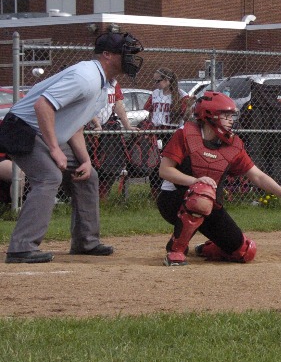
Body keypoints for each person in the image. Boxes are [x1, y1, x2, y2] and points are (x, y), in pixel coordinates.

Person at [3, 31, 144, 263]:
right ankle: (21, 248)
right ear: (107, 55)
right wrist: (55, 149)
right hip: (22, 129)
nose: (131, 58)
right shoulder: (86, 76)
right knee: (49, 177)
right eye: (126, 53)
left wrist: (85, 160)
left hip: (42, 132)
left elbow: (74, 124)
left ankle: (86, 243)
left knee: (87, 176)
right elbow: (43, 106)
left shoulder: (103, 83)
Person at [157, 91, 281, 266]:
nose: (231, 120)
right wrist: (195, 181)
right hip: (173, 200)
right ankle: (177, 249)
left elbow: (256, 175)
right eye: (225, 115)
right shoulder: (185, 134)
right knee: (202, 192)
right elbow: (165, 171)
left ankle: (207, 248)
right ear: (209, 115)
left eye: (231, 116)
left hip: (207, 204)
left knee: (245, 252)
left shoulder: (233, 145)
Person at [143, 68, 192, 196]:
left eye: (158, 81)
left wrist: (190, 107)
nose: (155, 84)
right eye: (154, 81)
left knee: (171, 164)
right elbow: (150, 113)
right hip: (156, 131)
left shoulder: (181, 95)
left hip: (172, 132)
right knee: (154, 164)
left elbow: (186, 118)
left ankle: (170, 190)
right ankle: (154, 192)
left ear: (167, 80)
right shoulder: (155, 94)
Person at [87, 79, 138, 198]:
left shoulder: (114, 83)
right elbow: (87, 105)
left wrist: (127, 126)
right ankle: (86, 195)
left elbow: (118, 104)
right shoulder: (94, 81)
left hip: (107, 127)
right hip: (90, 127)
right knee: (89, 163)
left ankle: (102, 197)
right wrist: (96, 124)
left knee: (110, 165)